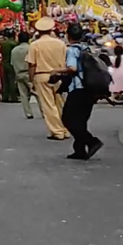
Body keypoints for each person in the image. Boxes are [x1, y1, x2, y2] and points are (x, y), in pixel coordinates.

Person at [56, 22, 104, 160]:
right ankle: (80, 150)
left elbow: (72, 68)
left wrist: (56, 70)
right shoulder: (87, 48)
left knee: (68, 119)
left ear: (68, 36)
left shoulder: (72, 50)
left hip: (78, 88)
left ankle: (91, 141)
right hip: (90, 88)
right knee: (81, 120)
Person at [27, 18, 70, 140]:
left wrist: (31, 80)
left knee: (48, 105)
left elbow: (31, 64)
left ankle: (57, 131)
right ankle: (65, 129)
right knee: (61, 103)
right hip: (59, 75)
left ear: (37, 31)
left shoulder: (35, 45)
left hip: (42, 75)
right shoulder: (60, 43)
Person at [9, 32, 34, 120]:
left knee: (23, 95)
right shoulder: (30, 48)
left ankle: (28, 113)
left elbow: (12, 63)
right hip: (29, 73)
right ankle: (43, 111)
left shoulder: (14, 50)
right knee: (37, 93)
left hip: (19, 73)